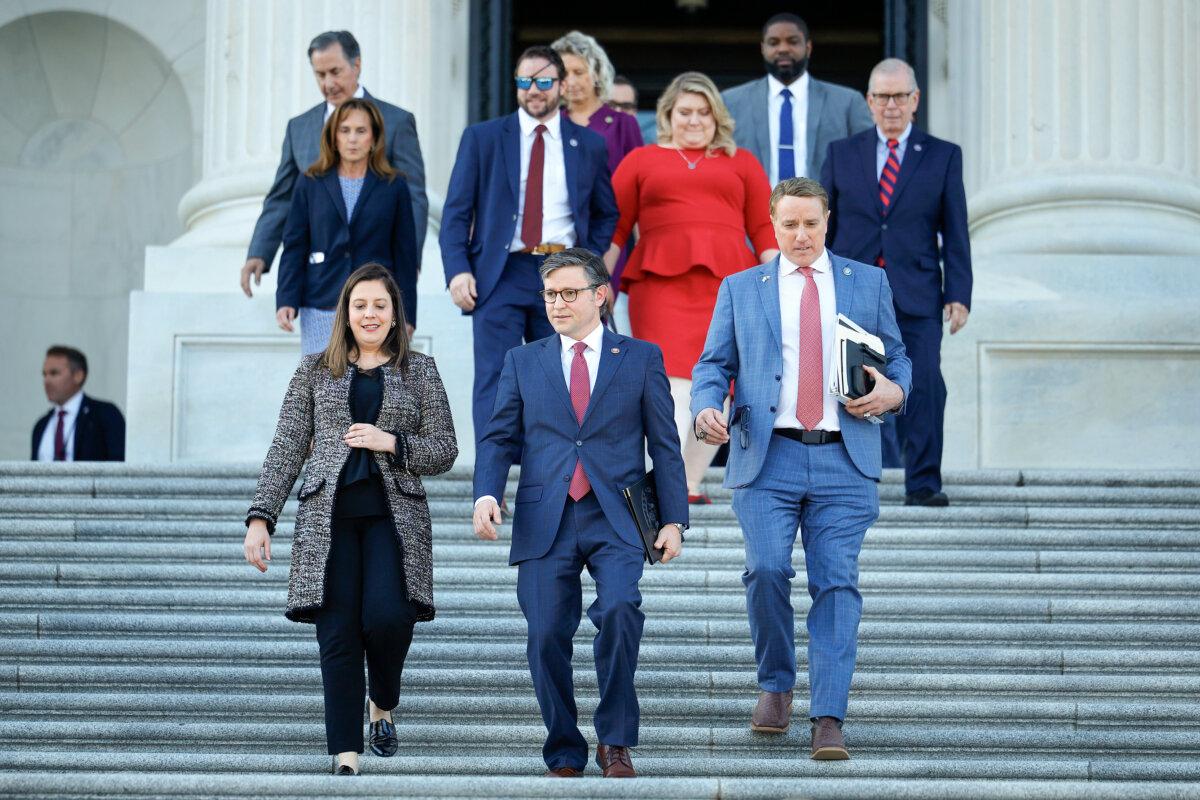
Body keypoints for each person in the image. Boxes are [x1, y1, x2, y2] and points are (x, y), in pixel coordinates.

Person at [691, 177, 911, 760]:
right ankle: (777, 683)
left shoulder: (868, 281)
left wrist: (895, 391)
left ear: (827, 220)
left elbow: (899, 355)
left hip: (845, 454)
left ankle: (828, 716)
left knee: (836, 583)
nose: (801, 234)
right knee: (765, 571)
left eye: (810, 223)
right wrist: (706, 406)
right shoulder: (742, 288)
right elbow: (713, 363)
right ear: (773, 224)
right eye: (789, 224)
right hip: (769, 456)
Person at [472, 248, 688, 778]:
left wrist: (675, 519)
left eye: (570, 292)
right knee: (545, 631)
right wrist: (486, 494)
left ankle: (615, 741)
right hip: (546, 516)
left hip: (617, 516)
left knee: (618, 610)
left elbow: (664, 445)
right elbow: (499, 437)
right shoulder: (524, 360)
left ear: (600, 295)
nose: (558, 303)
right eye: (550, 294)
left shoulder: (639, 358)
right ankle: (564, 745)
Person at [243, 263, 458, 776]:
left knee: (388, 617)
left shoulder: (420, 370)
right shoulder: (314, 371)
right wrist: (261, 518)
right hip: (328, 517)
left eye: (380, 305)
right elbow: (287, 447)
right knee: (337, 633)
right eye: (360, 305)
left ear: (394, 314)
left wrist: (393, 443)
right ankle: (345, 753)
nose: (369, 314)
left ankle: (381, 701)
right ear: (345, 312)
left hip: (393, 517)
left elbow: (445, 449)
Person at [604, 71, 777, 503]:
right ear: (668, 114)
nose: (694, 120)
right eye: (685, 112)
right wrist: (596, 283)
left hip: (728, 291)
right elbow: (617, 230)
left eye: (703, 112)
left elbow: (763, 228)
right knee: (669, 384)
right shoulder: (641, 160)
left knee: (718, 385)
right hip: (659, 289)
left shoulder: (743, 163)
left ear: (716, 116)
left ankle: (688, 483)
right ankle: (662, 481)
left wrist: (781, 285)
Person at [440, 46, 618, 445]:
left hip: (564, 275)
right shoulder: (482, 138)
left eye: (543, 81)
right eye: (524, 81)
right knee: (496, 380)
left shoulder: (587, 144)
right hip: (499, 274)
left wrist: (588, 261)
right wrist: (458, 270)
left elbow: (607, 212)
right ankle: (492, 485)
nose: (533, 90)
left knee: (562, 377)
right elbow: (455, 213)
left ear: (561, 85)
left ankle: (551, 475)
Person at [820, 58, 972, 507]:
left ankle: (923, 482)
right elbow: (827, 223)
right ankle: (851, 479)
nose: (891, 105)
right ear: (869, 102)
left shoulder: (943, 155)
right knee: (850, 383)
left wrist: (959, 294)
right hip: (853, 290)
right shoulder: (841, 153)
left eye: (900, 96)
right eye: (882, 97)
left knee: (923, 384)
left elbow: (956, 229)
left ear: (915, 101)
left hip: (918, 292)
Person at [241, 30, 427, 297]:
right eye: (320, 74)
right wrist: (259, 251)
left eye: (335, 72)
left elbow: (414, 198)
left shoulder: (397, 122)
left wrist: (410, 262)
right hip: (320, 285)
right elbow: (282, 198)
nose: (328, 83)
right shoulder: (299, 128)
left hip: (377, 277)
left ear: (357, 65)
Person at [275, 98, 419, 355]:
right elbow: (295, 245)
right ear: (334, 137)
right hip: (322, 301)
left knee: (371, 387)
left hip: (375, 307)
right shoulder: (310, 182)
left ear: (374, 138)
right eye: (345, 130)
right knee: (323, 387)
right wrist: (286, 298)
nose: (352, 138)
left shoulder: (394, 186)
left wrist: (407, 313)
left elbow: (405, 254)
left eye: (361, 131)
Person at [722, 12, 873, 184]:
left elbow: (868, 162)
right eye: (774, 43)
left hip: (826, 209)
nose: (783, 49)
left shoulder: (848, 102)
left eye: (792, 41)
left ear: (808, 48)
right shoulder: (730, 102)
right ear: (763, 48)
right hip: (753, 209)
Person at [552, 31, 644, 290]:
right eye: (563, 73)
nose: (571, 81)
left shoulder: (624, 124)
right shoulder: (549, 126)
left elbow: (640, 193)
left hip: (612, 242)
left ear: (596, 73)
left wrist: (643, 250)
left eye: (579, 72)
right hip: (561, 239)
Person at [31, 346, 124, 462]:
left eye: (54, 373)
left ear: (78, 376)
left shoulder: (105, 415)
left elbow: (119, 467)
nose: (46, 381)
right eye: (44, 374)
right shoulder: (41, 426)